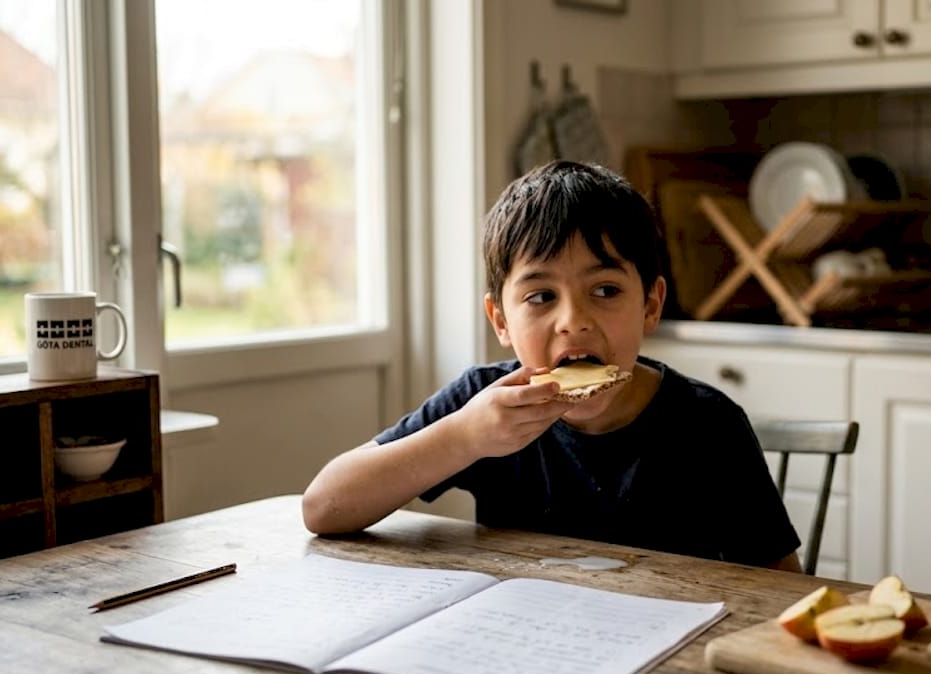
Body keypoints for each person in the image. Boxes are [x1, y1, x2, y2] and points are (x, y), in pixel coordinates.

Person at [302, 161, 803, 570]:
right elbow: (323, 506)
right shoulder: (483, 404)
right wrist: (465, 438)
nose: (573, 321)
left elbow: (778, 588)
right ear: (500, 320)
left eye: (605, 291)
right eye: (541, 296)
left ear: (650, 305)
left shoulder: (707, 424)